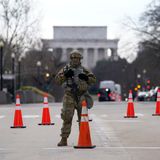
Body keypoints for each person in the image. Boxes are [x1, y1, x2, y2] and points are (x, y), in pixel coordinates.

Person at [55, 50, 96, 146]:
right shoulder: (65, 69)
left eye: (77, 58)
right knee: (67, 117)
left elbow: (93, 80)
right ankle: (64, 138)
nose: (75, 60)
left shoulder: (84, 70)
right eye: (73, 58)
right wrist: (65, 75)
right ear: (71, 59)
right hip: (69, 95)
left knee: (83, 119)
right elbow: (57, 81)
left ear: (80, 60)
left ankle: (84, 138)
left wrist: (86, 78)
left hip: (81, 96)